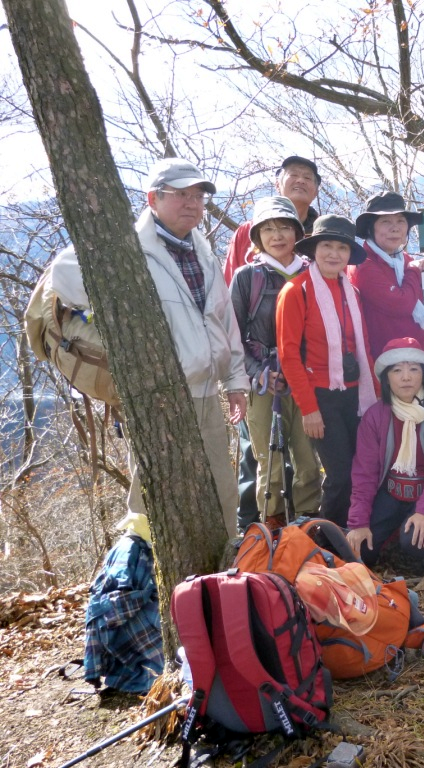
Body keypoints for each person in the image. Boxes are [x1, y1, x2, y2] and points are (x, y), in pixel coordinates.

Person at [51, 158, 248, 536]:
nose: (193, 203)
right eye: (181, 195)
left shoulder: (200, 248)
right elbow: (63, 276)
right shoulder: (126, 246)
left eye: (199, 196)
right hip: (155, 395)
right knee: (154, 495)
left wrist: (235, 380)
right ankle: (141, 578)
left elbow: (224, 320)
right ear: (153, 199)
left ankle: (220, 577)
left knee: (222, 490)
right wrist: (117, 296)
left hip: (206, 391)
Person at [224, 155, 322, 533]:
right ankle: (271, 531)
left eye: (285, 228)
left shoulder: (312, 274)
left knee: (307, 459)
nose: (278, 236)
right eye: (269, 230)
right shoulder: (248, 277)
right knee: (268, 459)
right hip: (263, 380)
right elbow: (232, 333)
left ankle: (309, 526)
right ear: (258, 236)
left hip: (306, 378)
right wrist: (256, 372)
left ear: (298, 233)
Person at [276, 215, 377, 527]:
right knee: (340, 473)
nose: (334, 254)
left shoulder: (351, 291)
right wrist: (309, 409)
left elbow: (365, 349)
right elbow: (288, 355)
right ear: (314, 250)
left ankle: (356, 535)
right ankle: (328, 542)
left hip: (356, 393)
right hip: (320, 395)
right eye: (327, 246)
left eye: (342, 248)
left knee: (362, 469)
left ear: (349, 254)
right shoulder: (296, 291)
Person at [347, 338, 424, 571]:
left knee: (415, 544)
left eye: (413, 369)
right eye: (397, 370)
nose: (406, 377)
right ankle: (396, 529)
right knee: (362, 551)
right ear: (387, 377)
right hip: (393, 490)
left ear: (423, 374)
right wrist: (358, 523)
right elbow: (365, 474)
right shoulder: (375, 416)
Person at [351, 191, 424, 362]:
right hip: (388, 363)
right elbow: (402, 304)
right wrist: (414, 270)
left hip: (422, 357)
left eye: (401, 221)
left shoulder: (404, 259)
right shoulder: (363, 264)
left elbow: (422, 294)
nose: (395, 228)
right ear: (371, 228)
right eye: (385, 221)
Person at [83, 513, 162, 693]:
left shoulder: (133, 546)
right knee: (171, 666)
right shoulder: (131, 550)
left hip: (119, 624)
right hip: (122, 622)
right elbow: (117, 601)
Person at [223, 156, 322, 284]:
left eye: (307, 178)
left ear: (316, 192)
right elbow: (229, 284)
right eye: (293, 175)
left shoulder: (323, 235)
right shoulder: (248, 231)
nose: (300, 180)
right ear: (277, 185)